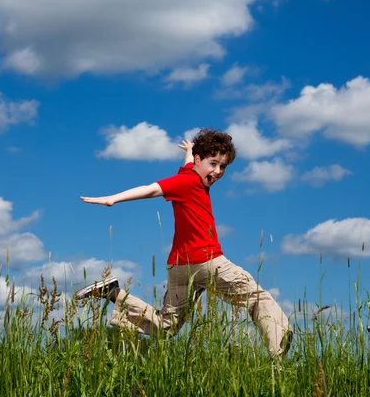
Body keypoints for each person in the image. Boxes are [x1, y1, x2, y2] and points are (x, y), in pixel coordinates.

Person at [78, 128, 292, 358]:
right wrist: (113, 199)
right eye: (213, 164)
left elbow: (190, 165)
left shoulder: (192, 173)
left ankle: (113, 292)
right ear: (200, 161)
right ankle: (277, 357)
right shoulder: (186, 182)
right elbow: (151, 189)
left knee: (166, 326)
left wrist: (190, 151)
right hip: (208, 261)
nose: (218, 171)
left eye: (223, 167)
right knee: (257, 298)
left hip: (179, 268)